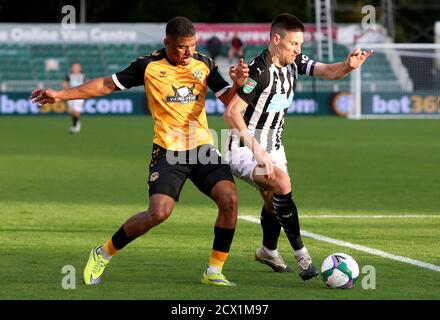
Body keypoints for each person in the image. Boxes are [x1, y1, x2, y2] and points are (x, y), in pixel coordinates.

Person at [30, 16, 249, 287]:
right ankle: (103, 253)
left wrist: (239, 84)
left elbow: (229, 100)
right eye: (182, 47)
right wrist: (61, 96)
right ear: (167, 42)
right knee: (158, 213)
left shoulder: (203, 63)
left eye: (192, 46)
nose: (188, 52)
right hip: (168, 150)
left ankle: (214, 271)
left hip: (201, 146)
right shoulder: (147, 66)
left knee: (229, 199)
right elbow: (105, 85)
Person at [223, 13, 373, 280]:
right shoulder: (259, 71)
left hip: (275, 146)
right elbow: (232, 114)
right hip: (244, 147)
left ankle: (268, 250)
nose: (298, 50)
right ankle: (302, 256)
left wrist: (348, 66)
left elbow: (328, 71)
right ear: (276, 39)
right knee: (281, 183)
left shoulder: (295, 62)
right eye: (293, 44)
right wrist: (259, 153)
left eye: (300, 44)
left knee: (274, 202)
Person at [63, 62, 86, 134]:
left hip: (80, 95)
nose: (75, 68)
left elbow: (87, 84)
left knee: (76, 110)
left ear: (80, 68)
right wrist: (67, 89)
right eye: (74, 67)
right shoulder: (69, 76)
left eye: (77, 67)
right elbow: (65, 84)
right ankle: (76, 122)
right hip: (70, 95)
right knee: (72, 111)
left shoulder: (83, 76)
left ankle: (76, 126)